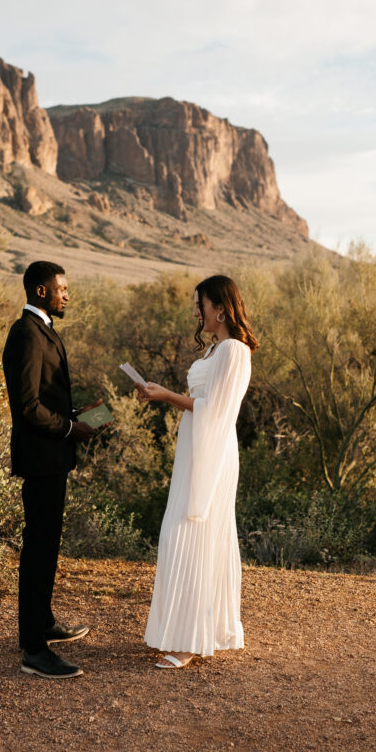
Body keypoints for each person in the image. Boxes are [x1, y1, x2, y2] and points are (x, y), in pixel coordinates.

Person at [137, 274, 258, 669]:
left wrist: (168, 396)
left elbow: (219, 411)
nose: (195, 312)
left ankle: (191, 640)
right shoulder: (212, 352)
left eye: (199, 304)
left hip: (214, 454)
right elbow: (200, 402)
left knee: (194, 534)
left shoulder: (235, 351)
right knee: (180, 534)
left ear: (219, 308)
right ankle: (191, 630)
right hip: (192, 450)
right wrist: (163, 394)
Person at [2, 260, 95, 679]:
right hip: (40, 461)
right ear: (41, 291)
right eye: (62, 288)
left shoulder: (42, 330)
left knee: (47, 548)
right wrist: (71, 429)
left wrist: (78, 415)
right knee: (38, 552)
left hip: (50, 459)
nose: (67, 295)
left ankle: (43, 624)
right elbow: (27, 408)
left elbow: (45, 399)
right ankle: (34, 651)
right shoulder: (25, 334)